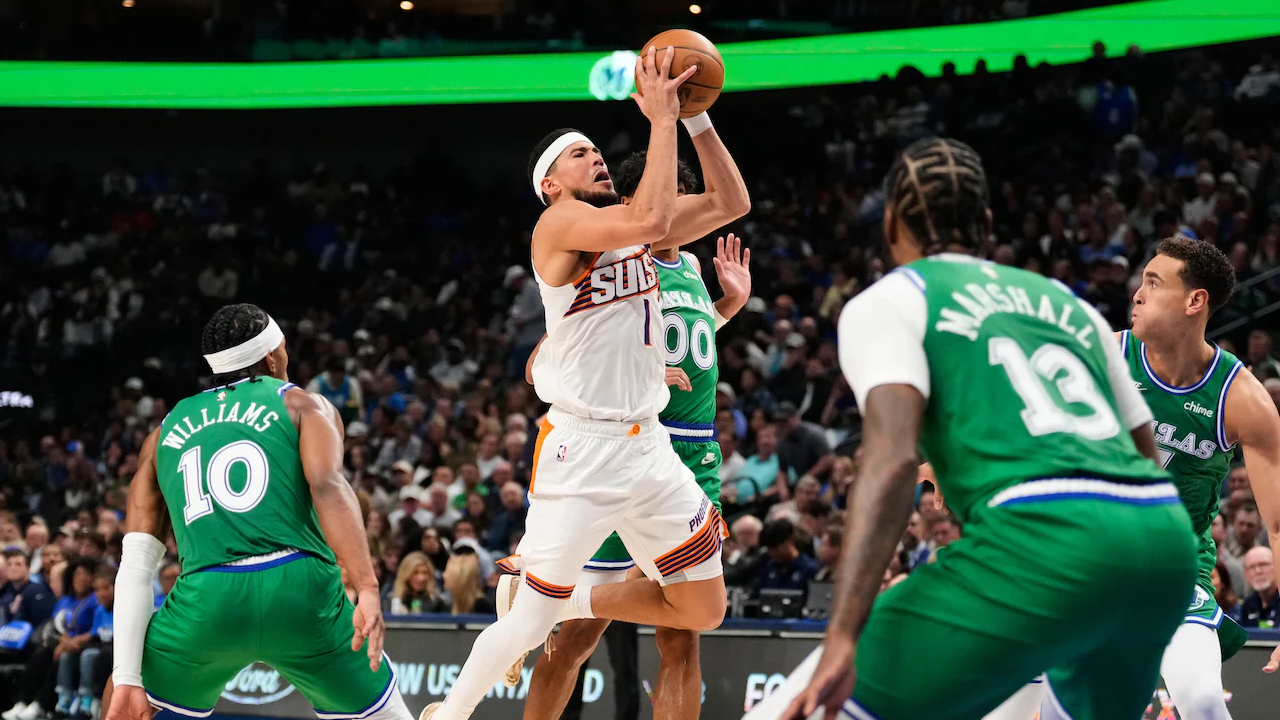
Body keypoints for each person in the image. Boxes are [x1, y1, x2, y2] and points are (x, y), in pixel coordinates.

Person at [783, 137, 1196, 720]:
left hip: (1044, 532)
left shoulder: (894, 299)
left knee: (811, 707)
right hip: (1161, 538)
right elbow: (1145, 454)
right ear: (986, 222)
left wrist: (843, 635)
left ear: (892, 224)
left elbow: (893, 461)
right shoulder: (1064, 301)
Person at [419, 46, 748, 720]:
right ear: (550, 182)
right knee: (529, 630)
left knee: (703, 607)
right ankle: (448, 714)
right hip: (583, 451)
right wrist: (659, 119)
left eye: (597, 149)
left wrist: (696, 119)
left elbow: (731, 201)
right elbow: (652, 220)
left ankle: (567, 595)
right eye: (580, 154)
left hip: (652, 448)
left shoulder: (633, 227)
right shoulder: (559, 225)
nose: (596, 156)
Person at [517, 147, 752, 720]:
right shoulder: (611, 256)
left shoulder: (692, 269)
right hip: (631, 446)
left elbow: (686, 338)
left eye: (684, 200)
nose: (677, 212)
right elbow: (540, 365)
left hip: (695, 456)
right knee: (574, 638)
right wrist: (644, 369)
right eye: (667, 198)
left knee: (684, 632)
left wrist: (729, 306)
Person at [102, 304, 412, 720]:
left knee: (122, 697)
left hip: (209, 597)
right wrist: (368, 588)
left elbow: (137, 564)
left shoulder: (163, 432)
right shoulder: (305, 405)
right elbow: (327, 486)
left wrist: (126, 676)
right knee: (384, 711)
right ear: (271, 356)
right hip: (300, 591)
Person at [1084, 236, 1280, 719]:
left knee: (1204, 702)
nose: (1137, 294)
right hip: (1087, 565)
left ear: (1196, 301)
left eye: (1154, 282)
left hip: (1173, 572)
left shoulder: (1242, 399)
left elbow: (1277, 522)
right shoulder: (1105, 355)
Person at [1238, 546, 1279, 627]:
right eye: (1251, 567)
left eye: (1264, 564)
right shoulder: (1247, 605)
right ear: (1245, 574)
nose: (1258, 571)